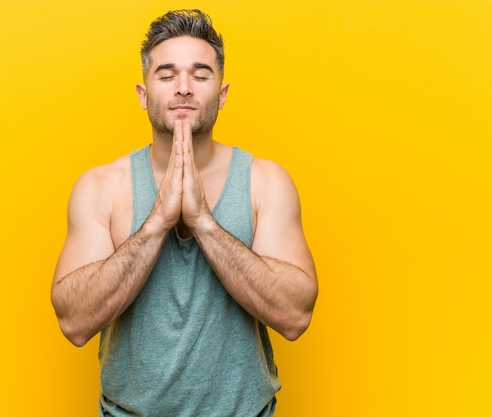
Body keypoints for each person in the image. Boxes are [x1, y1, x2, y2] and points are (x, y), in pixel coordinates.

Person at [51, 9, 318, 417]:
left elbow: (296, 315)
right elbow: (74, 322)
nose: (183, 88)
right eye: (166, 74)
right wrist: (157, 223)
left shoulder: (265, 182)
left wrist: (204, 223)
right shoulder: (101, 187)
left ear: (222, 93)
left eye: (200, 74)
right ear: (143, 94)